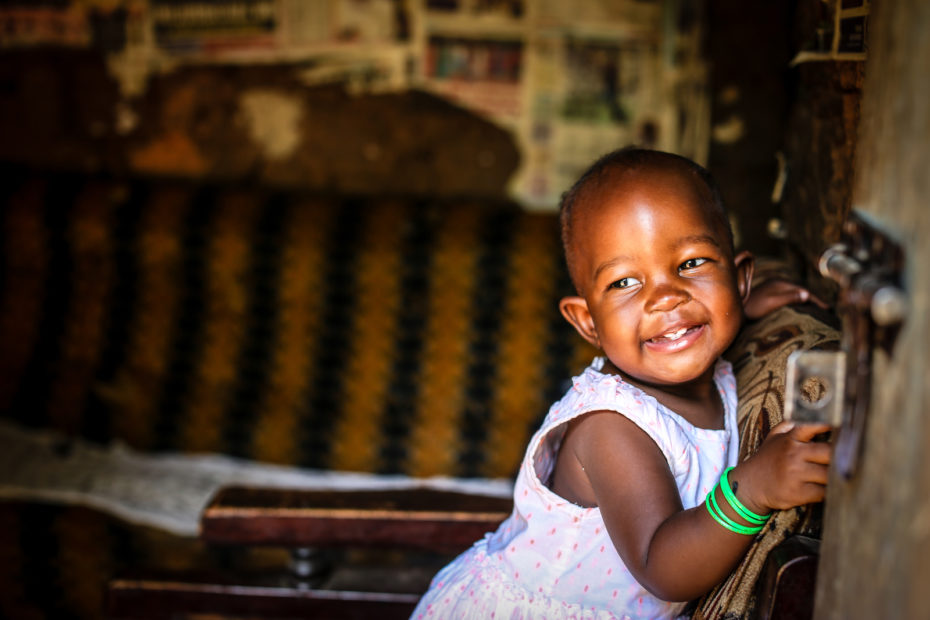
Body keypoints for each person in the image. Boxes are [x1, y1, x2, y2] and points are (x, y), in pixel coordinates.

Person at [410, 148, 831, 619]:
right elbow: (663, 567)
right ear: (588, 322)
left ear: (739, 279)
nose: (667, 298)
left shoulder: (696, 350)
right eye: (625, 282)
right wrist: (752, 490)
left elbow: (691, 316)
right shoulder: (611, 427)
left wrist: (733, 307)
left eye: (692, 264)